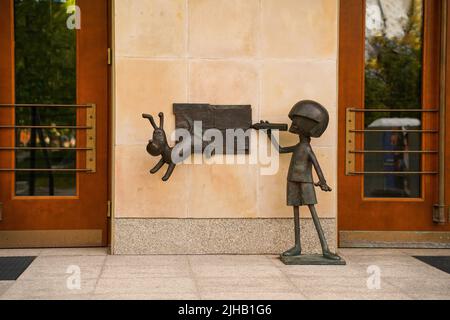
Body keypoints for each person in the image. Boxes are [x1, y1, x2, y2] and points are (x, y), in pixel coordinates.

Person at [258, 100, 341, 260]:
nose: (293, 125)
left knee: (312, 210)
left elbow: (316, 166)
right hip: (292, 180)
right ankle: (297, 246)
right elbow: (280, 150)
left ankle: (325, 248)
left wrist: (322, 181)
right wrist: (269, 133)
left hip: (306, 181)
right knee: (295, 210)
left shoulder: (306, 148)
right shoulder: (298, 147)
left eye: (297, 122)